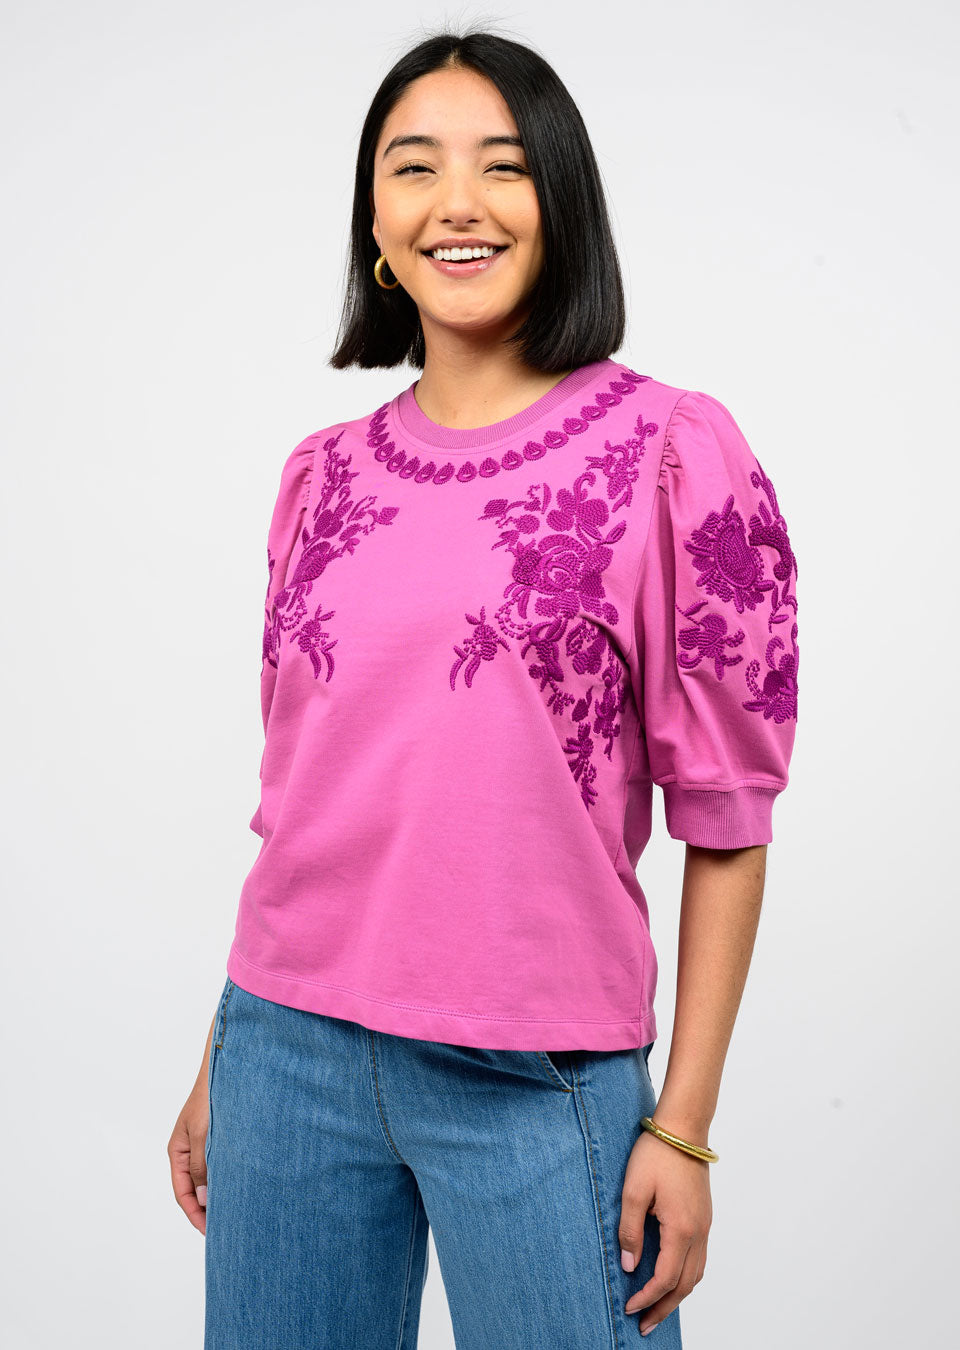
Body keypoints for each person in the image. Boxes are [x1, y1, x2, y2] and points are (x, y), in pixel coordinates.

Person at [167, 27, 800, 1350]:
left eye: (502, 166)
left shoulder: (673, 454)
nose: (457, 202)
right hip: (287, 1053)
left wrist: (684, 1122)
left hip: (538, 1076)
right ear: (376, 224)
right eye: (414, 168)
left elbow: (729, 817)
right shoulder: (321, 477)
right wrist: (225, 1050)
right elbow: (303, 802)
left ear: (559, 200)